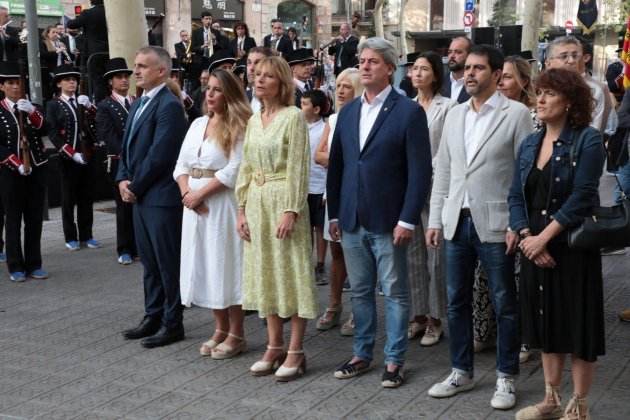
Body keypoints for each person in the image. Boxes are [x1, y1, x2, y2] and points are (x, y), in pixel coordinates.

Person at [425, 45, 533, 409]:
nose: (469, 74)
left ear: (497, 73)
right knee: (456, 301)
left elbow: (525, 174)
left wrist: (518, 224)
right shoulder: (455, 115)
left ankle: (506, 377)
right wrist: (437, 218)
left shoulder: (516, 114)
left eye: (478, 68)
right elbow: (444, 170)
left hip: (497, 221)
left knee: (504, 301)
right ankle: (461, 370)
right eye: (467, 68)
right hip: (457, 220)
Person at [327, 37, 432, 389]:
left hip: (389, 219)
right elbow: (338, 167)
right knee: (358, 291)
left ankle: (394, 360)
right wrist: (334, 215)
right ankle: (361, 354)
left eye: (373, 61)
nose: (365, 66)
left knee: (395, 292)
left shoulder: (408, 112)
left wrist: (407, 218)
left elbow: (420, 171)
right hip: (352, 217)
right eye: (362, 61)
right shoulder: (348, 112)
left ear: (389, 67)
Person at [510, 68, 605, 420]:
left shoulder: (588, 139)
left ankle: (579, 406)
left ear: (569, 100)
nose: (541, 99)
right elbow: (515, 195)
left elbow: (583, 196)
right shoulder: (530, 142)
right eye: (539, 92)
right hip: (534, 243)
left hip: (571, 245)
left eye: (550, 93)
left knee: (578, 328)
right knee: (546, 323)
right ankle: (550, 400)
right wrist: (525, 238)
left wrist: (543, 239)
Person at [235, 55, 318, 381]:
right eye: (257, 75)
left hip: (284, 202)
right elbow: (246, 166)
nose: (259, 80)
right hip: (256, 203)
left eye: (268, 76)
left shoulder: (293, 117)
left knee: (291, 273)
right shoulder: (254, 119)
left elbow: (300, 166)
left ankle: (296, 351)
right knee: (264, 273)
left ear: (281, 83)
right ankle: (273, 345)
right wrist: (240, 209)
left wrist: (291, 209)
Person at [174, 68, 251, 359]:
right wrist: (187, 194)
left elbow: (236, 168)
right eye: (208, 87)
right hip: (193, 206)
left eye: (217, 89)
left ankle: (237, 332)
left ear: (229, 93)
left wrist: (201, 194)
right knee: (204, 263)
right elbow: (181, 165)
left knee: (225, 263)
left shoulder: (240, 125)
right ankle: (219, 327)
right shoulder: (196, 125)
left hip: (221, 205)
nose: (210, 93)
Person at [118, 46, 189, 349]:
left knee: (167, 261)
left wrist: (135, 186)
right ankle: (153, 315)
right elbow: (126, 148)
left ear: (161, 71)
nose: (136, 71)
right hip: (141, 196)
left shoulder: (169, 106)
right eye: (136, 66)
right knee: (149, 260)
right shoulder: (138, 103)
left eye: (143, 66)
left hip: (160, 197)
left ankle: (173, 323)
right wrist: (122, 177)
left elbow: (161, 155)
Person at [406, 51, 456, 347]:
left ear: (436, 75)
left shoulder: (448, 107)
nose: (418, 73)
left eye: (424, 69)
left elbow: (447, 149)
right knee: (411, 255)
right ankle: (418, 314)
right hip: (409, 188)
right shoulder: (405, 107)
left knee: (435, 256)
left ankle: (436, 318)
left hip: (437, 186)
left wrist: (425, 169)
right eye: (414, 69)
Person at [314, 67, 363, 335]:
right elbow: (318, 155)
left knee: (357, 252)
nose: (341, 90)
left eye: (347, 85)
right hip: (333, 191)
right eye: (339, 85)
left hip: (357, 192)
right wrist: (345, 164)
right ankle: (334, 304)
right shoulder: (332, 119)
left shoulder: (364, 117)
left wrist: (343, 164)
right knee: (336, 250)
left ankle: (359, 308)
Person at [0, 62, 48, 282]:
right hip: (10, 172)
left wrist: (32, 112)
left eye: (18, 82)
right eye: (10, 83)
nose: (15, 87)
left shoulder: (32, 107)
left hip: (36, 168)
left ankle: (34, 263)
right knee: (13, 219)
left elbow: (45, 129)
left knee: (34, 218)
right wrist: (16, 163)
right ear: (2, 86)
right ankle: (15, 265)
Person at [46, 64, 101, 252]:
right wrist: (71, 152)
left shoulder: (82, 101)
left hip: (87, 154)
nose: (72, 82)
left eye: (74, 79)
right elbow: (53, 133)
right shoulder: (54, 104)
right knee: (68, 199)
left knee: (86, 197)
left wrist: (89, 106)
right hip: (68, 158)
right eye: (68, 79)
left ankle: (87, 234)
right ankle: (71, 236)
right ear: (59, 83)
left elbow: (97, 120)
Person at [96, 57, 137, 265]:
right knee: (123, 206)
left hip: (139, 161)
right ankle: (124, 248)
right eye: (119, 77)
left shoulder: (137, 101)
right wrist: (130, 153)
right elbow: (108, 136)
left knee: (138, 205)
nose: (124, 80)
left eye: (126, 77)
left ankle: (138, 246)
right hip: (120, 161)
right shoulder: (105, 106)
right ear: (110, 82)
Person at [545, 36, 614, 134]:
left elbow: (596, 131)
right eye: (564, 56)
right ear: (548, 63)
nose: (571, 61)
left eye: (575, 56)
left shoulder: (595, 90)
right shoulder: (540, 89)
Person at [300, 89, 328, 285]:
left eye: (305, 104)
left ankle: (320, 263)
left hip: (319, 184)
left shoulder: (324, 129)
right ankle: (306, 263)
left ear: (316, 109)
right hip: (303, 185)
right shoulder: (298, 127)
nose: (301, 107)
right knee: (305, 227)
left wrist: (327, 189)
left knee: (320, 227)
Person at [67, 0, 109, 102]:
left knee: (98, 81)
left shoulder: (88, 13)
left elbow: (71, 24)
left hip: (94, 53)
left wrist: (80, 16)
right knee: (109, 79)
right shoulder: (110, 12)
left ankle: (100, 105)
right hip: (109, 50)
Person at [441, 36, 472, 104]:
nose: (452, 56)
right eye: (450, 52)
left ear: (469, 55)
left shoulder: (476, 83)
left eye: (458, 52)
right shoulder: (440, 83)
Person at [244, 47, 274, 113]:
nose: (251, 68)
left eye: (257, 63)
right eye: (249, 62)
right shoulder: (242, 97)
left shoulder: (281, 102)